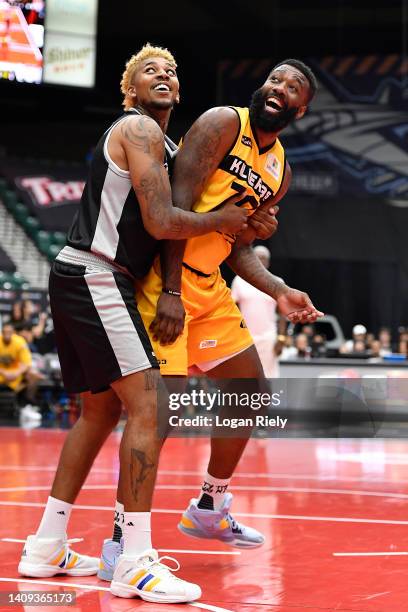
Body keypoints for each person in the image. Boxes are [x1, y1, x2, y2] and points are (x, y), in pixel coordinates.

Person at [18, 43, 249, 605]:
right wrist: (225, 219)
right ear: (130, 88)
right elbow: (163, 220)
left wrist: (242, 223)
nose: (164, 74)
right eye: (150, 70)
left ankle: (46, 545)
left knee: (98, 411)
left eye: (171, 69)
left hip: (86, 275)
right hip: (97, 272)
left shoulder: (168, 145)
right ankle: (136, 562)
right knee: (151, 406)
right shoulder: (138, 130)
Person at [124, 59, 323, 562]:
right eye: (275, 78)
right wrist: (170, 291)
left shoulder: (279, 171)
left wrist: (278, 288)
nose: (280, 87)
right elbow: (176, 206)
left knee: (249, 393)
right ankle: (122, 541)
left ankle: (210, 506)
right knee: (158, 418)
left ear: (301, 110)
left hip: (210, 288)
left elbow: (234, 245)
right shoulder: (221, 123)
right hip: (165, 284)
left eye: (293, 86)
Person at [231, 245, 283, 377]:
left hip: (268, 338)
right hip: (245, 338)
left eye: (263, 258)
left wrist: (281, 338)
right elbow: (231, 308)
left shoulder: (277, 282)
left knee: (269, 376)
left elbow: (283, 312)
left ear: (268, 262)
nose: (260, 261)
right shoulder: (239, 280)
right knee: (246, 376)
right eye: (257, 258)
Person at [0, 322, 32, 394]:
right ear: (2, 332)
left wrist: (16, 373)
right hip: (1, 373)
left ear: (13, 332)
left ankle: (25, 401)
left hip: (16, 374)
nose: (7, 334)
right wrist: (4, 372)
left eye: (9, 332)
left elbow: (27, 363)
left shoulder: (20, 342)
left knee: (30, 374)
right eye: (5, 332)